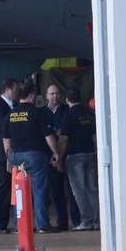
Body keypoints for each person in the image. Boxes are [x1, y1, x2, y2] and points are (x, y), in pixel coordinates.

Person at [3, 82, 60, 232]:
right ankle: (42, 225)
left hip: (16, 156)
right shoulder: (36, 113)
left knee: (19, 191)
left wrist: (9, 158)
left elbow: (6, 139)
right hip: (35, 155)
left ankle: (19, 225)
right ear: (31, 96)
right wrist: (56, 152)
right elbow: (48, 136)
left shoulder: (11, 114)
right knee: (39, 190)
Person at [59, 88, 99, 230]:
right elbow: (95, 136)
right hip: (90, 153)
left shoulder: (68, 115)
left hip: (75, 157)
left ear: (67, 100)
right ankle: (97, 221)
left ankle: (86, 221)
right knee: (92, 189)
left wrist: (59, 157)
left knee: (79, 191)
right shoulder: (89, 113)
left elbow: (63, 139)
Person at [0, 78, 19, 234]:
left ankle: (6, 222)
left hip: (10, 153)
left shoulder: (12, 106)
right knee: (2, 190)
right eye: (15, 89)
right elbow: (5, 128)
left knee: (10, 190)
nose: (16, 92)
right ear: (7, 89)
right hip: (2, 156)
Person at [42, 84, 72, 230]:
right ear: (46, 96)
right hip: (47, 157)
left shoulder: (66, 111)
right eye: (52, 94)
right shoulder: (41, 113)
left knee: (66, 191)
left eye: (57, 93)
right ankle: (51, 222)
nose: (54, 96)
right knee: (49, 192)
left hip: (65, 154)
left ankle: (69, 221)